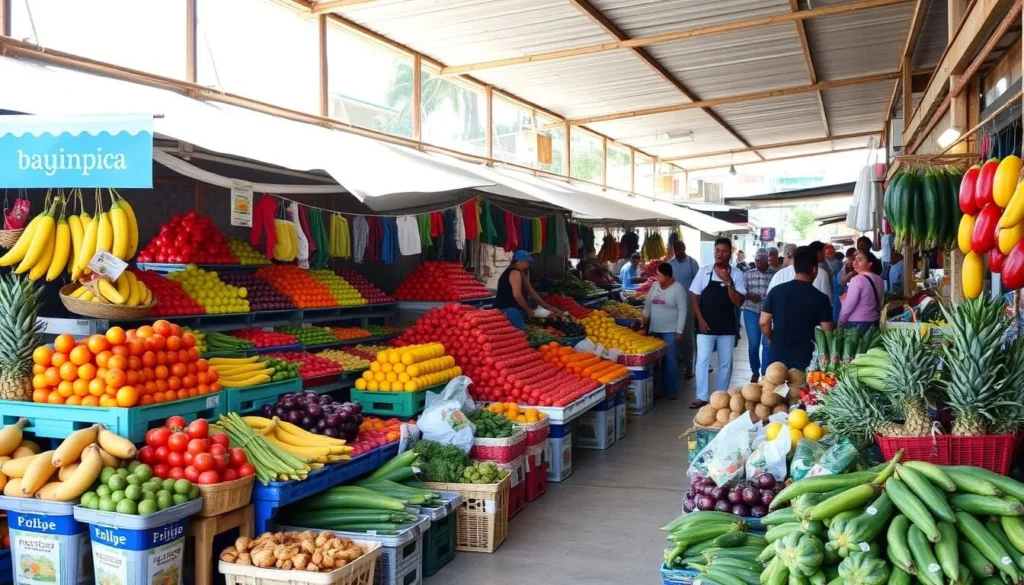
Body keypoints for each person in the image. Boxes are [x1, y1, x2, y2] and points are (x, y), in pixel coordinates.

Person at [689, 238, 747, 409]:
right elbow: (694, 297)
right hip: (705, 326)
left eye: (724, 251)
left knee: (725, 363)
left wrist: (728, 281)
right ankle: (701, 396)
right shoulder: (704, 271)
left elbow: (738, 302)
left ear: (731, 253)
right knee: (702, 361)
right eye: (717, 250)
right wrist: (700, 319)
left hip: (727, 327)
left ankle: (720, 397)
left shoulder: (737, 274)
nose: (719, 254)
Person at [760, 247, 835, 370]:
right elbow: (827, 332)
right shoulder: (821, 298)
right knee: (800, 389)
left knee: (775, 387)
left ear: (795, 268)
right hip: (805, 357)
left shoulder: (776, 292)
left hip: (778, 354)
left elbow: (763, 322)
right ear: (815, 270)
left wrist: (773, 339)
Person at [642, 263, 688, 400]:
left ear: (668, 276)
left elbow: (683, 310)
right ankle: (657, 390)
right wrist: (644, 317)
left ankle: (671, 391)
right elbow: (648, 304)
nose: (656, 277)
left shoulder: (678, 289)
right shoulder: (655, 286)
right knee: (654, 361)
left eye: (659, 275)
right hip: (654, 330)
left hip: (670, 331)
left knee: (670, 361)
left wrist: (679, 331)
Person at [493, 250, 565, 330]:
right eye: (527, 262)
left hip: (516, 308)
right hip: (507, 309)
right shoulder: (514, 273)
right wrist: (528, 310)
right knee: (517, 335)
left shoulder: (523, 272)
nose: (528, 264)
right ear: (518, 262)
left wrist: (547, 306)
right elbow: (517, 295)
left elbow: (530, 290)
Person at [669, 240, 700, 379]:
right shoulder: (670, 264)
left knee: (687, 335)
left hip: (688, 304)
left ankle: (689, 365)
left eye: (680, 249)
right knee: (674, 335)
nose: (677, 252)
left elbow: (699, 284)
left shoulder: (692, 263)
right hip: (672, 304)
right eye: (675, 249)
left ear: (684, 248)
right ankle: (678, 363)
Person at [741, 249, 773, 381]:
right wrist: (749, 295)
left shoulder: (773, 275)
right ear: (755, 262)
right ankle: (755, 370)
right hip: (751, 310)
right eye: (758, 261)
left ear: (767, 261)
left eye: (763, 261)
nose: (760, 263)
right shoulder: (747, 274)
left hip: (768, 313)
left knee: (767, 343)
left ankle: (765, 372)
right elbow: (740, 290)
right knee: (754, 343)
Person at [838, 250, 885, 331]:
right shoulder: (879, 279)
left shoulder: (857, 280)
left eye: (860, 260)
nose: (855, 263)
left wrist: (841, 321)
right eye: (855, 260)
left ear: (869, 264)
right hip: (874, 321)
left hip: (857, 324)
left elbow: (849, 305)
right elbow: (880, 300)